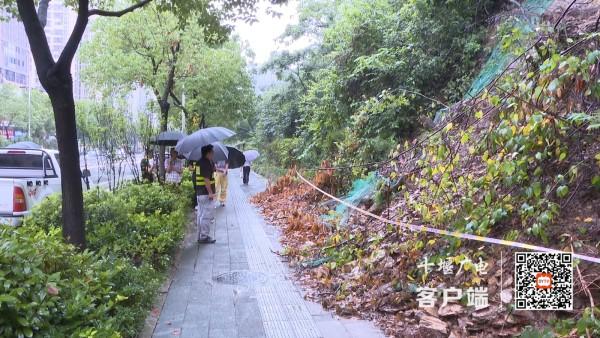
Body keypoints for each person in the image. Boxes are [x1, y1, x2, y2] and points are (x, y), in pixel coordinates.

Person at [193, 144, 216, 244]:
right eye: (212, 152)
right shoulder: (206, 163)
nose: (213, 154)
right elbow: (206, 179)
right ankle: (204, 236)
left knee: (201, 215)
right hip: (206, 193)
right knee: (206, 215)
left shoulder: (199, 162)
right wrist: (210, 192)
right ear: (208, 153)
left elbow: (194, 177)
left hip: (200, 192)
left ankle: (200, 235)